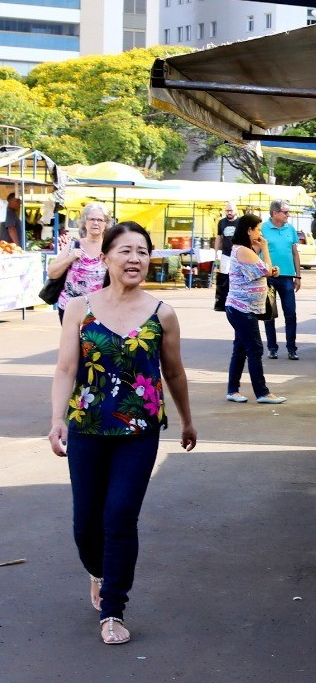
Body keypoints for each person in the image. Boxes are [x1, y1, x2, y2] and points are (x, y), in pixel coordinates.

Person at [48, 221, 197, 645]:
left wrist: (187, 419)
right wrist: (57, 418)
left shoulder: (162, 313)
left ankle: (113, 610)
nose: (135, 259)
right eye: (126, 251)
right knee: (85, 523)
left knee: (120, 517)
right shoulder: (79, 307)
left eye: (142, 252)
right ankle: (98, 571)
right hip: (87, 428)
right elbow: (65, 368)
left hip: (138, 430)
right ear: (106, 257)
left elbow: (174, 372)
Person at [224, 214, 287, 405]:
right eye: (258, 229)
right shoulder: (243, 250)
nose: (260, 233)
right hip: (241, 309)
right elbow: (266, 269)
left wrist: (267, 265)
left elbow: (262, 269)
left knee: (241, 349)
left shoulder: (244, 250)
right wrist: (266, 249)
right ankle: (262, 392)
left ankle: (232, 390)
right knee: (255, 349)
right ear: (248, 230)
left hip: (241, 308)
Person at [46, 202, 110, 323]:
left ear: (105, 224)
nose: (95, 223)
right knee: (72, 342)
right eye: (91, 219)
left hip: (100, 308)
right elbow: (51, 273)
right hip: (70, 308)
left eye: (100, 220)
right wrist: (70, 259)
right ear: (85, 222)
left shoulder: (110, 249)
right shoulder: (73, 246)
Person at [261, 199, 302, 360]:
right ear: (275, 213)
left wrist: (298, 275)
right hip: (268, 277)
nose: (288, 215)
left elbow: (294, 253)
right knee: (269, 314)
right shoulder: (263, 228)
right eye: (285, 212)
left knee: (290, 313)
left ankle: (291, 348)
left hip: (286, 277)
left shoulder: (290, 229)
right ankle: (272, 348)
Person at [213, 201, 240, 312]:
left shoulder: (240, 222)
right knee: (224, 278)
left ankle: (236, 301)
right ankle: (222, 302)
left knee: (237, 278)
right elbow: (219, 237)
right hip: (225, 254)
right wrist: (215, 252)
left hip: (238, 255)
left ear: (235, 211)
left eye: (231, 210)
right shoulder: (221, 222)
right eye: (227, 210)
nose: (229, 212)